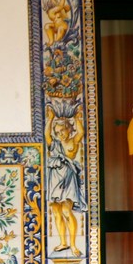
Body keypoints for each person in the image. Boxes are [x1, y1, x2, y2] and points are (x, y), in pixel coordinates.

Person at [46, 102, 85, 254]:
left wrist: (77, 117)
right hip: (55, 177)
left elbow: (81, 132)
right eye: (57, 132)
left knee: (67, 211)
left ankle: (73, 245)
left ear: (68, 129)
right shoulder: (54, 144)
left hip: (68, 178)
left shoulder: (73, 141)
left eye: (62, 130)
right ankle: (63, 243)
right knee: (56, 212)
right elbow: (47, 135)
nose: (60, 134)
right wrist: (50, 118)